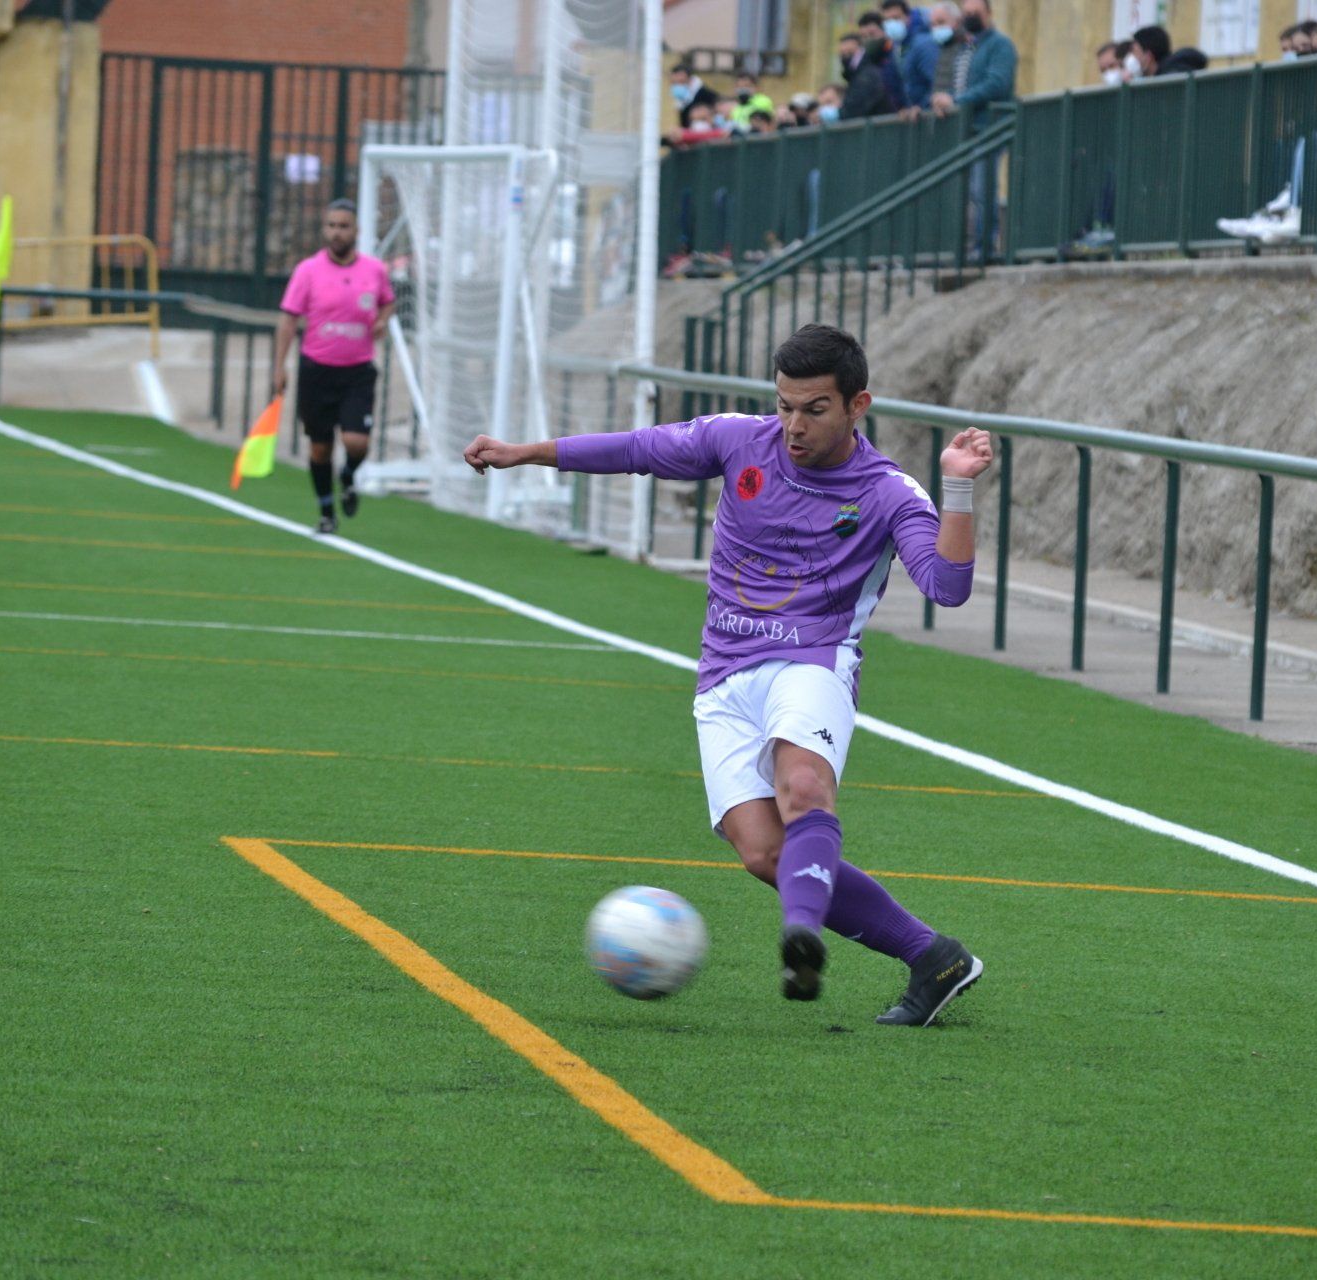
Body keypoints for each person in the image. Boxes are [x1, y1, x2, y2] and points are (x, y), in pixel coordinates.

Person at [463, 323, 994, 1026]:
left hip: (813, 660)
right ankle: (935, 956)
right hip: (723, 676)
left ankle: (800, 938)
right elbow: (638, 450)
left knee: (803, 786)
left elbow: (946, 586)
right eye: (784, 405)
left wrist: (958, 490)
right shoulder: (739, 441)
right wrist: (528, 452)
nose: (794, 425)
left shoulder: (889, 493)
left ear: (857, 405)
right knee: (764, 852)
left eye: (814, 409)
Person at [272, 199, 395, 534]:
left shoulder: (374, 270)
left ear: (356, 230)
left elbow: (388, 302)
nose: (337, 232)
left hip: (357, 371)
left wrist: (382, 322)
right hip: (317, 370)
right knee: (320, 446)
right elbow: (287, 320)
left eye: (344, 226)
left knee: (356, 442)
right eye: (331, 226)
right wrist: (279, 366)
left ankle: (348, 475)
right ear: (324, 229)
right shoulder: (308, 271)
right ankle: (327, 512)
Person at [934, 0, 1017, 258]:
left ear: (988, 13)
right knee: (969, 192)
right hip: (967, 130)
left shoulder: (1000, 45)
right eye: (966, 12)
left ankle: (985, 246)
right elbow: (960, 84)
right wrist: (944, 98)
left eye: (975, 12)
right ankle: (970, 246)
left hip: (989, 128)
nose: (970, 16)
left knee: (983, 189)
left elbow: (997, 83)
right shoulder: (966, 47)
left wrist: (957, 101)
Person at [882, 0, 939, 110]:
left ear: (908, 17)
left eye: (896, 18)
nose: (892, 23)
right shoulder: (897, 47)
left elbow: (936, 82)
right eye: (887, 20)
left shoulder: (923, 43)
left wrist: (922, 106)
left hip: (931, 112)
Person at [856, 12, 907, 110]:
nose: (868, 39)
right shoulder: (864, 64)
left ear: (884, 31)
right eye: (864, 36)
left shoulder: (898, 55)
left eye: (872, 34)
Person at [837, 33, 893, 119]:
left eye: (850, 52)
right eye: (843, 54)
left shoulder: (867, 75)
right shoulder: (856, 75)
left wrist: (838, 114)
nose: (845, 57)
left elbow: (855, 109)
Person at [1130, 25, 1208, 76]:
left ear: (1148, 57)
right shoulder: (1167, 76)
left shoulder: (1170, 82)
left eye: (1135, 53)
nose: (1132, 58)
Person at [669, 63, 721, 129]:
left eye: (679, 82)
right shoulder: (681, 100)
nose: (676, 86)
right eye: (673, 83)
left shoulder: (706, 94)